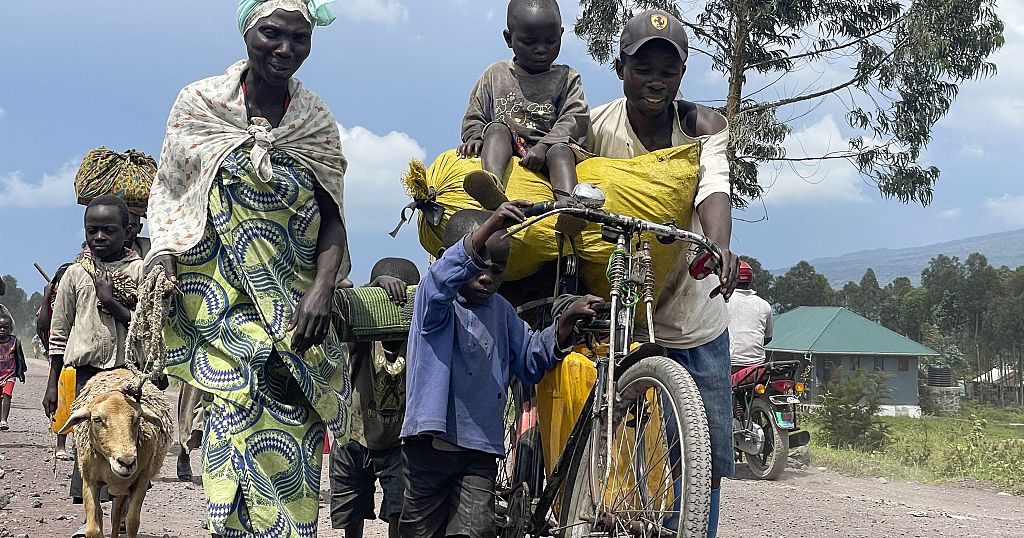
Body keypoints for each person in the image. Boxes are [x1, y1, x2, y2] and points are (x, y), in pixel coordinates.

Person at [146, 1, 350, 536]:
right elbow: (172, 194)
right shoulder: (199, 105)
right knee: (231, 432)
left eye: (299, 38)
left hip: (299, 318)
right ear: (246, 32)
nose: (285, 49)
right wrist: (163, 257)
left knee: (293, 453)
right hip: (220, 309)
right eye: (271, 34)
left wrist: (322, 291)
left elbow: (333, 217)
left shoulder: (315, 122)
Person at [587, 10, 739, 538]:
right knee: (599, 443)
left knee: (705, 459)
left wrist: (718, 245)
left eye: (667, 71)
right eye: (642, 67)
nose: (655, 81)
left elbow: (714, 187)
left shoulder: (702, 125)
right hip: (618, 315)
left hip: (693, 314)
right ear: (620, 67)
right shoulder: (594, 127)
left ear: (682, 74)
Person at [399, 202, 602, 538]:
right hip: (429, 447)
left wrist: (565, 324)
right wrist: (491, 224)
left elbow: (531, 357)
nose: (487, 277)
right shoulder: (433, 302)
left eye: (498, 269)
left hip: (479, 450)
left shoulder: (502, 312)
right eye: (479, 264)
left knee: (476, 529)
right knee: (420, 530)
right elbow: (441, 277)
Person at [41, 195, 144, 538]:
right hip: (87, 375)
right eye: (92, 230)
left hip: (127, 375)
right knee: (87, 446)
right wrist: (53, 382)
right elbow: (59, 332)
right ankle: (90, 520)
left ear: (127, 231)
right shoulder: (73, 275)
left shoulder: (140, 271)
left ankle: (123, 514)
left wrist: (111, 300)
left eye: (108, 230)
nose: (99, 237)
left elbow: (147, 325)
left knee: (127, 442)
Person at [459, 0, 590, 233]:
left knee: (560, 152)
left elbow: (574, 117)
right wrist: (474, 136)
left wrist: (543, 146)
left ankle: (569, 207)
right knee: (496, 129)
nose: (541, 49)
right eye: (529, 42)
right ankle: (492, 186)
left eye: (551, 41)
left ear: (561, 34)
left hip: (551, 147)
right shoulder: (495, 74)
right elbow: (475, 113)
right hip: (509, 143)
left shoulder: (567, 77)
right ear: (509, 39)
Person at [330, 257, 420, 538]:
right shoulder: (362, 337)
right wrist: (374, 288)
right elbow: (344, 302)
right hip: (354, 437)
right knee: (351, 513)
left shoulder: (416, 337)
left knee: (401, 511)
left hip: (398, 442)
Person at [727, 261, 774, 371]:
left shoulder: (723, 302)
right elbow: (768, 337)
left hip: (730, 364)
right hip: (758, 365)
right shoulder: (764, 304)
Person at [0, 314, 27, 431]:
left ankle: (4, 420)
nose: (2, 330)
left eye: (5, 327)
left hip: (9, 375)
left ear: (10, 329)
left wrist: (21, 373)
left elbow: (20, 358)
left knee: (7, 395)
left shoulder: (15, 342)